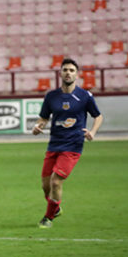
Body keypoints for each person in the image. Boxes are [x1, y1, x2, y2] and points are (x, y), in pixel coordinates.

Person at [32, 58, 102, 228]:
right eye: (65, 70)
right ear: (60, 73)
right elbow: (44, 117)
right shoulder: (51, 96)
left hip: (73, 145)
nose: (68, 73)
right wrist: (38, 126)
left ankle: (48, 218)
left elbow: (98, 116)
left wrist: (92, 132)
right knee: (46, 186)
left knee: (56, 182)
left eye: (71, 70)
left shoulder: (84, 96)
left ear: (77, 75)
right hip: (54, 144)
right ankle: (55, 207)